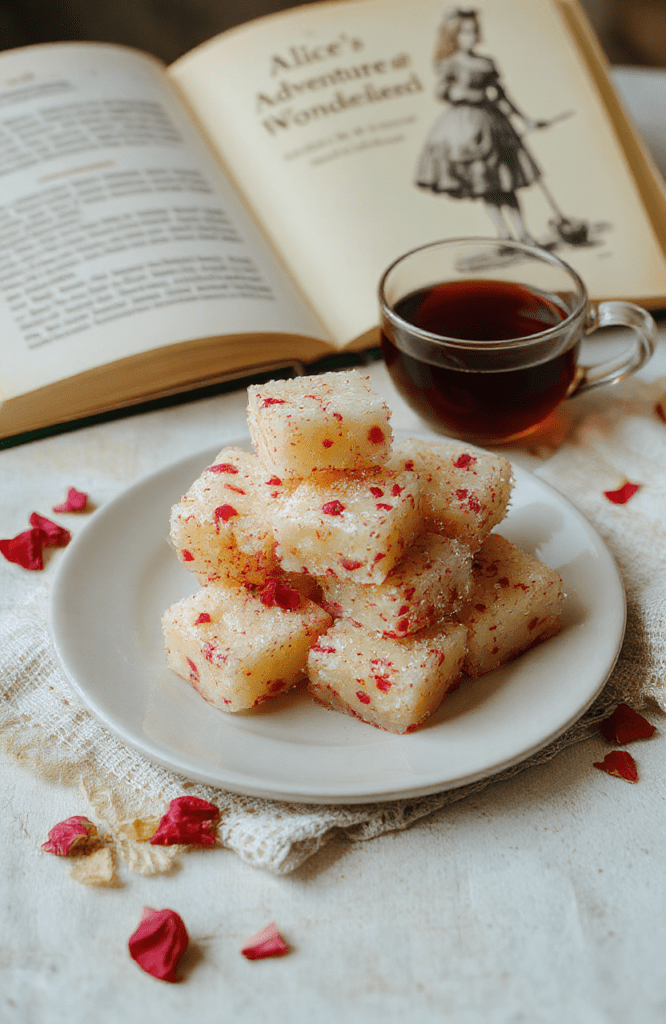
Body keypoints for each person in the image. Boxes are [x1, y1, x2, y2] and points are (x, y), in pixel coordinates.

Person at [415, 7, 548, 244]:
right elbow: (442, 92)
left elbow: (502, 95)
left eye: (474, 32)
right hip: (463, 128)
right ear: (453, 36)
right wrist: (461, 94)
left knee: (506, 182)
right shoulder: (450, 63)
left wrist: (526, 119)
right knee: (486, 184)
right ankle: (504, 234)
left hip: (493, 123)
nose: (471, 37)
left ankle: (523, 232)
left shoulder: (486, 63)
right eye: (465, 33)